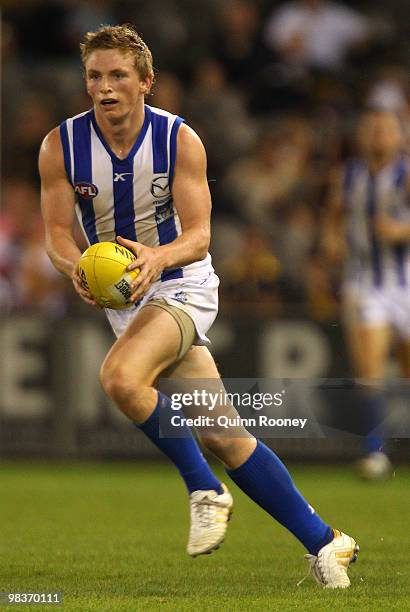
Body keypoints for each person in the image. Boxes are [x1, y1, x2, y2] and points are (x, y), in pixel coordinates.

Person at [39, 24, 358, 588]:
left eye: (118, 75)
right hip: (125, 296)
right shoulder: (59, 146)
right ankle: (325, 542)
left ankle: (203, 489)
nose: (105, 88)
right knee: (223, 434)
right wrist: (74, 270)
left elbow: (201, 235)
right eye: (95, 76)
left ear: (146, 81)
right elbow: (58, 236)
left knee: (118, 378)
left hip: (181, 283)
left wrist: (159, 259)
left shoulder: (178, 140)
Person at [323, 108, 410, 478]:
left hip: (405, 279)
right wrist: (331, 241)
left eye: (385, 129)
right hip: (364, 281)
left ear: (399, 135)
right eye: (372, 128)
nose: (378, 135)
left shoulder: (406, 173)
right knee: (370, 369)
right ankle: (373, 452)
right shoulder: (348, 175)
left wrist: (400, 231)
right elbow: (334, 217)